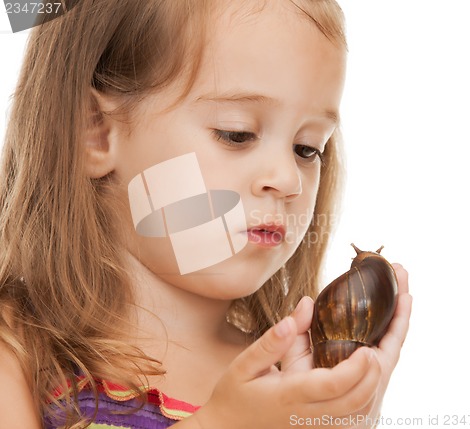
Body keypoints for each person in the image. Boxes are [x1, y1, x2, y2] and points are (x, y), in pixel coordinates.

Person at [0, 0, 412, 428]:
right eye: (237, 134)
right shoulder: (17, 349)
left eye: (307, 148)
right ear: (96, 132)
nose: (288, 179)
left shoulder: (290, 381)